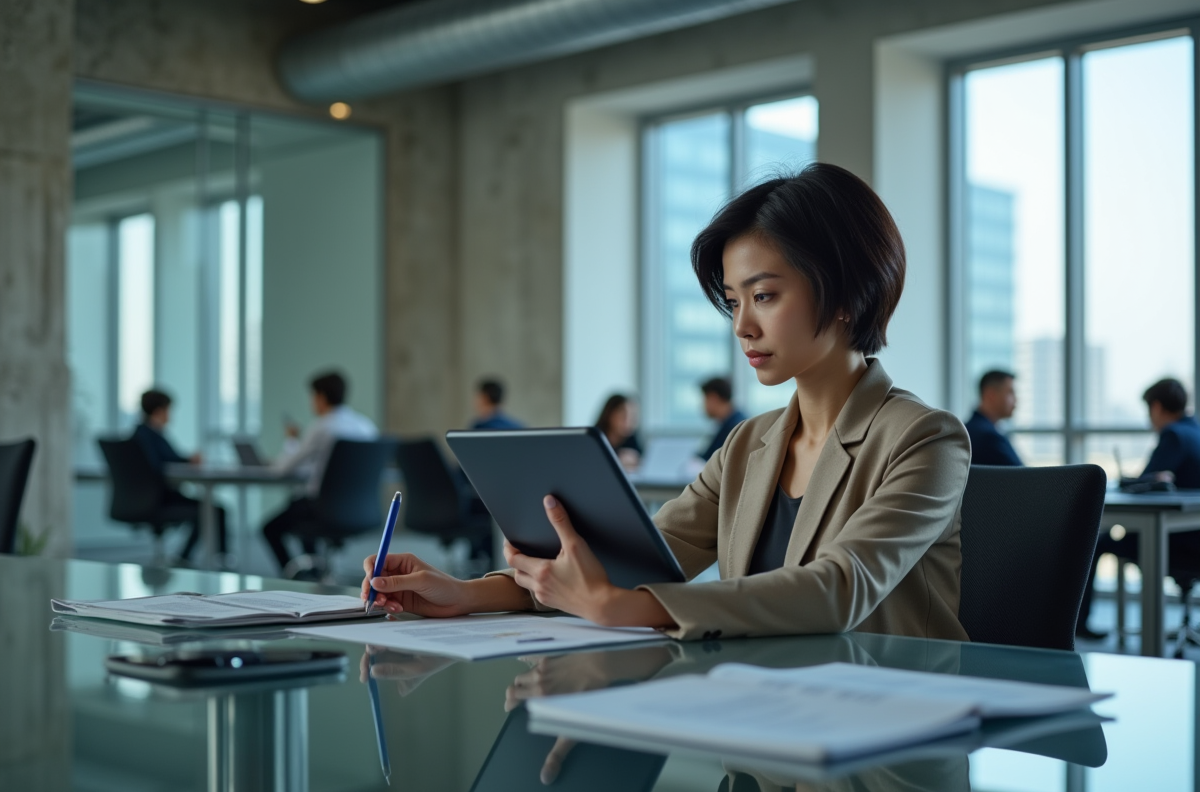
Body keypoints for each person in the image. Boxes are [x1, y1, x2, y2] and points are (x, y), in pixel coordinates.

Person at [361, 163, 971, 643]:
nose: (743, 327)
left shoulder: (924, 439)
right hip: (765, 719)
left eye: (764, 296)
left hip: (891, 738)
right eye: (734, 301)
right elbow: (631, 561)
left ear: (846, 296)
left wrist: (624, 609)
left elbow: (839, 589)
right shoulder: (749, 445)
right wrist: (466, 593)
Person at [1078, 378, 1200, 639]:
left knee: (1098, 541)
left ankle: (1079, 624)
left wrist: (1126, 481)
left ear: (1156, 407)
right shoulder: (1195, 430)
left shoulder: (1174, 434)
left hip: (1178, 542)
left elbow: (1148, 477)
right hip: (1193, 533)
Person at [263, 371, 378, 578]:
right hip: (362, 509)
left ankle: (296, 576)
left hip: (322, 508)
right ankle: (314, 569)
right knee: (300, 513)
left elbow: (283, 469)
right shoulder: (366, 427)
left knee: (270, 527)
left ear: (321, 397)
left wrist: (291, 440)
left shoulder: (322, 427)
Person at [131, 389, 229, 564]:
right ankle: (213, 558)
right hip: (159, 499)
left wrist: (185, 459)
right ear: (160, 411)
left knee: (210, 509)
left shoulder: (138, 435)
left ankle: (185, 557)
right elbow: (162, 463)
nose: (170, 415)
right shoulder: (150, 436)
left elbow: (165, 459)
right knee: (211, 510)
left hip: (142, 499)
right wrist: (188, 460)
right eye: (169, 410)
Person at [964, 370, 1022, 466]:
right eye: (1010, 392)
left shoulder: (968, 430)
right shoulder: (989, 438)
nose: (1016, 399)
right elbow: (1025, 477)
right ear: (991, 395)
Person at [698, 377, 747, 461]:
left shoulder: (736, 427)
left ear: (714, 398)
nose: (702, 405)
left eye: (705, 399)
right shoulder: (724, 424)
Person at [595, 393, 642, 470]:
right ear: (609, 414)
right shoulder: (595, 438)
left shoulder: (631, 439)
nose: (628, 420)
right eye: (623, 415)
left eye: (633, 415)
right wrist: (617, 459)